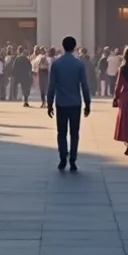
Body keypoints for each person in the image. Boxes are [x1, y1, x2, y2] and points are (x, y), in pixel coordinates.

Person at [47, 35, 91, 171]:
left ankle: (62, 158)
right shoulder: (79, 64)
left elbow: (52, 85)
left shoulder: (56, 64)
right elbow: (84, 85)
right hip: (75, 102)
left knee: (61, 132)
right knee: (74, 132)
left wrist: (49, 103)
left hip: (61, 102)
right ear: (74, 47)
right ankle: (73, 158)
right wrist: (87, 103)